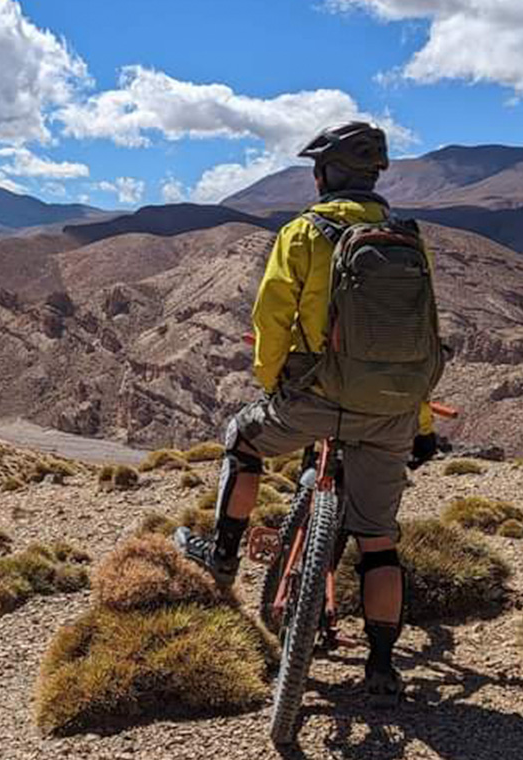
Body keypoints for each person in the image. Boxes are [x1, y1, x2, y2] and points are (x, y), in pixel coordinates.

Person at [175, 121, 439, 704]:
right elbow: (418, 343)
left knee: (241, 443)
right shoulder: (408, 239)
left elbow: (271, 318)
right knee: (379, 540)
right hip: (392, 412)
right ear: (372, 177)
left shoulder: (304, 232)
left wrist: (272, 383)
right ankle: (380, 668)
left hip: (314, 398)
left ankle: (221, 559)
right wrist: (420, 426)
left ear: (324, 175)